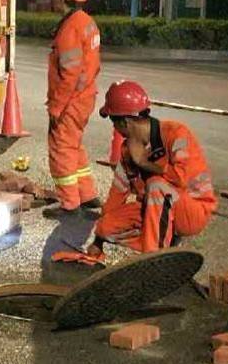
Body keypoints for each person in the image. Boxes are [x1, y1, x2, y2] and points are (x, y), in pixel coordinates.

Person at [90, 80, 216, 256]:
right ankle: (164, 242)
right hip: (155, 211)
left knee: (156, 185)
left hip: (192, 210)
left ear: (125, 122)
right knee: (105, 226)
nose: (115, 128)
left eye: (114, 122)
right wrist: (98, 240)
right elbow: (117, 193)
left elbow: (181, 179)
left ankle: (153, 256)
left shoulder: (177, 134)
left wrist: (144, 163)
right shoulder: (127, 151)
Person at [44, 0, 101, 215]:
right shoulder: (87, 22)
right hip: (85, 97)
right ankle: (87, 195)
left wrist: (57, 107)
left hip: (70, 102)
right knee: (74, 146)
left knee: (62, 149)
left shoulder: (70, 29)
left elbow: (69, 75)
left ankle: (69, 203)